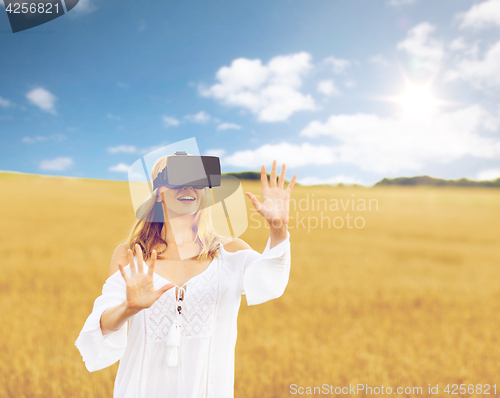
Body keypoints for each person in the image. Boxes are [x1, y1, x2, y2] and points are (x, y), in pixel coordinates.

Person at [74, 153, 296, 398]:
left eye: (198, 180)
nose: (189, 187)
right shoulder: (131, 255)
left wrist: (278, 229)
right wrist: (129, 307)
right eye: (178, 178)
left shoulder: (230, 253)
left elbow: (270, 281)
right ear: (159, 192)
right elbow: (104, 324)